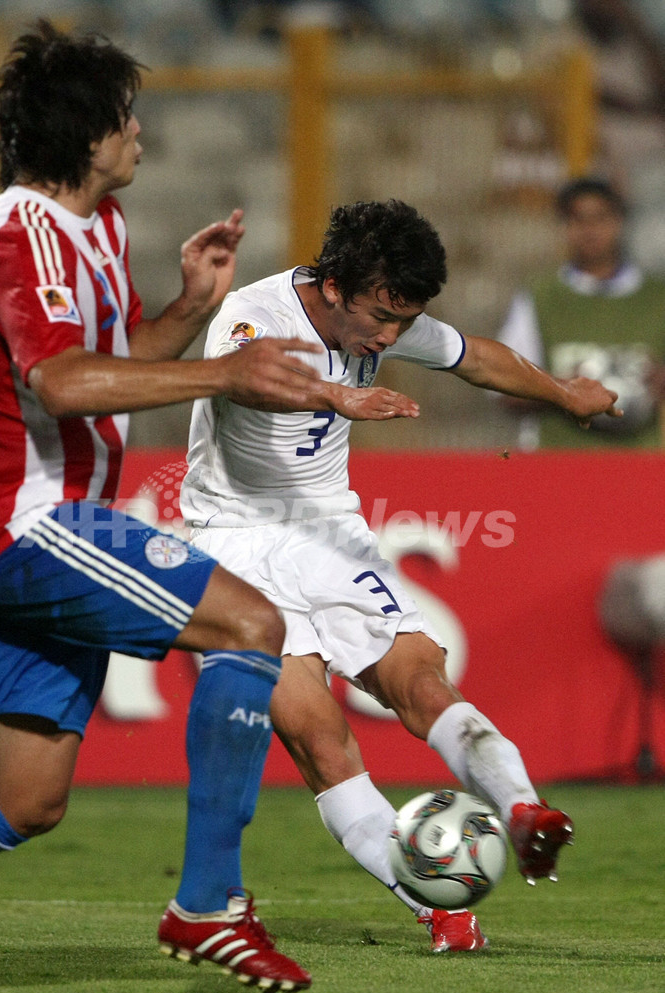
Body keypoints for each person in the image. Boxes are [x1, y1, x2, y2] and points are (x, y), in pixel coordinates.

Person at [0, 19, 387, 993]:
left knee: (26, 800)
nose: (140, 133)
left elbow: (114, 364)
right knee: (251, 623)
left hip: (27, 534)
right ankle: (206, 906)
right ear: (85, 134)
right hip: (25, 525)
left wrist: (188, 309)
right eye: (126, 117)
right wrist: (223, 368)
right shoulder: (18, 233)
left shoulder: (94, 229)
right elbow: (62, 385)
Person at [181, 199, 620, 952]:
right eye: (380, 317)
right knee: (321, 740)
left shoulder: (382, 313)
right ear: (333, 285)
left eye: (402, 320)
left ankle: (522, 811)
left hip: (330, 535)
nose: (388, 336)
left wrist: (564, 394)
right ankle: (436, 905)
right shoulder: (252, 313)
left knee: (421, 681)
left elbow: (477, 357)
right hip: (233, 545)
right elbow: (242, 382)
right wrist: (335, 393)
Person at [498, 176, 665, 449]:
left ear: (620, 222)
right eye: (578, 219)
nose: (590, 230)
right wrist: (559, 388)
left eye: (601, 218)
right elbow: (505, 390)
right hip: (560, 464)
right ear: (563, 226)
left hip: (641, 465)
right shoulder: (540, 297)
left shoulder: (658, 297)